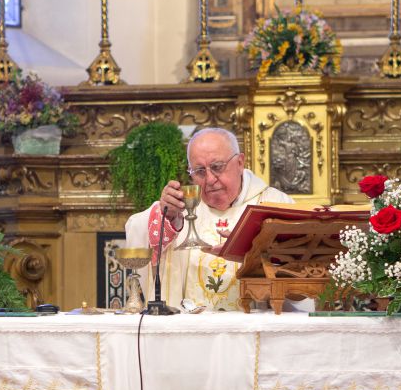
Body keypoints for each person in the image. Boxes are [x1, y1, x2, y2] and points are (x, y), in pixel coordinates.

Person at [125, 127, 293, 311]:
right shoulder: (182, 206)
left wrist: (249, 250)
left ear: (240, 162)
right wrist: (167, 217)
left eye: (217, 167)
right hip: (192, 331)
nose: (210, 179)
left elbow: (299, 271)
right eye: (199, 171)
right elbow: (135, 226)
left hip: (254, 330)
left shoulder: (275, 204)